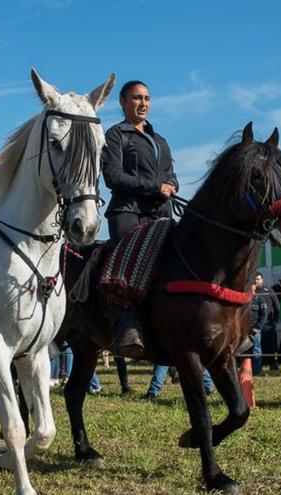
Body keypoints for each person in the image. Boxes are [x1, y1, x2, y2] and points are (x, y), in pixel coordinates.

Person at [101, 80, 178, 358]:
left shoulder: (161, 141)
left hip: (160, 213)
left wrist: (171, 186)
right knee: (128, 264)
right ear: (123, 103)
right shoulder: (115, 135)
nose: (143, 103)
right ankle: (127, 325)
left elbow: (171, 175)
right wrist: (154, 187)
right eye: (136, 98)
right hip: (127, 211)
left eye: (146, 98)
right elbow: (113, 177)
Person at [255, 273, 281, 372]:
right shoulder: (252, 292)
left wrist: (275, 320)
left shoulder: (269, 291)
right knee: (258, 345)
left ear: (262, 280)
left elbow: (277, 306)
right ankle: (259, 365)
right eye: (255, 279)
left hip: (268, 324)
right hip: (256, 324)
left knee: (270, 345)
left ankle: (273, 364)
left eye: (258, 279)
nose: (256, 281)